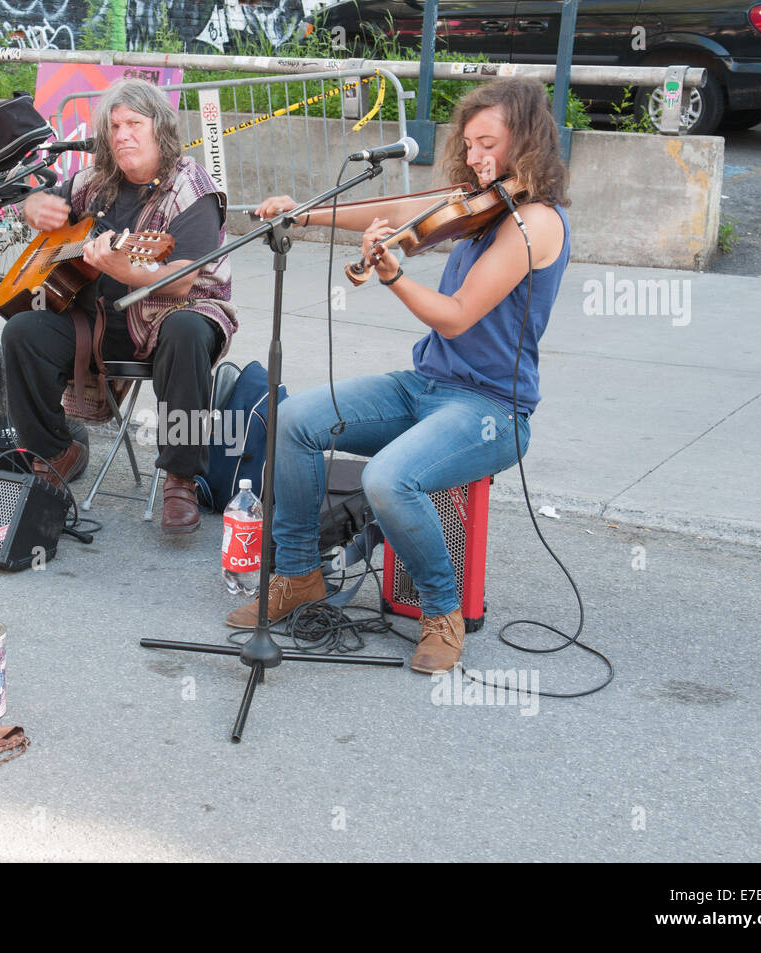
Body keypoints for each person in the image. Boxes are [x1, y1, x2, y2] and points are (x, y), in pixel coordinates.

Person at [239, 77, 571, 674]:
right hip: (426, 386)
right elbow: (396, 209)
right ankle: (298, 577)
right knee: (289, 421)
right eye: (468, 144)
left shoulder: (536, 222)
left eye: (486, 143)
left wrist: (394, 276)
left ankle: (442, 612)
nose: (473, 157)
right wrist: (307, 212)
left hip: (491, 410)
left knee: (389, 479)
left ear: (527, 141)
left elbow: (457, 315)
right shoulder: (484, 204)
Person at [2, 78, 235, 534]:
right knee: (21, 333)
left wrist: (127, 271)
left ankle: (181, 478)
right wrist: (34, 208)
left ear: (160, 130)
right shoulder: (95, 183)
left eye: (133, 123)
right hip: (101, 319)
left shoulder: (192, 190)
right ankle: (55, 452)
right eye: (113, 126)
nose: (122, 134)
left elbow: (185, 276)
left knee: (186, 331)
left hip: (177, 313)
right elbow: (42, 205)